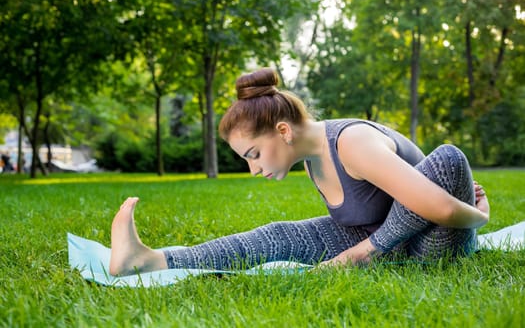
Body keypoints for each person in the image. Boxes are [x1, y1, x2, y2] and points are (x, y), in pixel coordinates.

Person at [109, 68, 489, 276]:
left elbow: (437, 210)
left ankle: (365, 254)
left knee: (448, 157)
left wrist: (478, 218)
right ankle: (151, 260)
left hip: (432, 249)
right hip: (384, 245)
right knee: (279, 235)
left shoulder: (352, 143)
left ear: (283, 131)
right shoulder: (311, 160)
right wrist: (361, 248)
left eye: (253, 154)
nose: (253, 169)